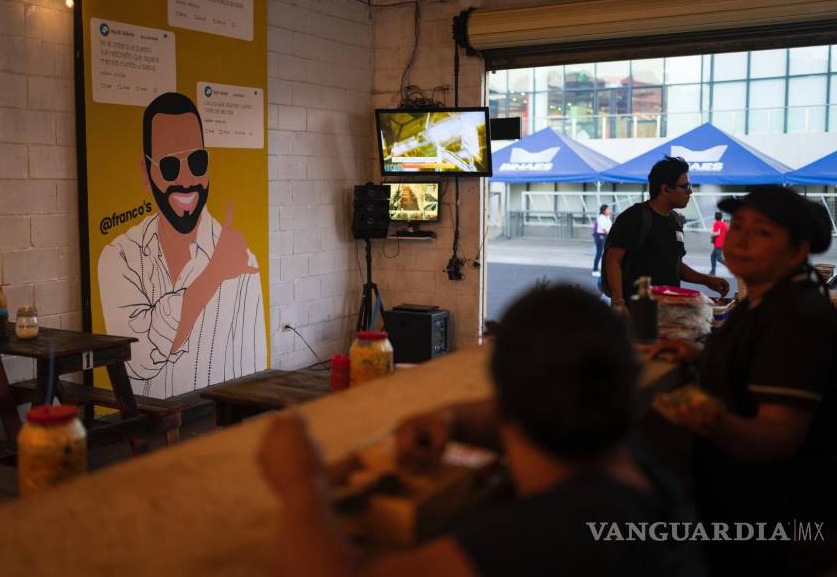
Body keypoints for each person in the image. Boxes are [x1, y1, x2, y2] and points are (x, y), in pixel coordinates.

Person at [257, 285, 706, 577]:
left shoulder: (548, 536)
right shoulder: (636, 468)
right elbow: (510, 413)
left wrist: (301, 484)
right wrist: (450, 420)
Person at [649, 186, 837, 576]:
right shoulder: (768, 298)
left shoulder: (795, 318)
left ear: (796, 251)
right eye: (738, 226)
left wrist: (702, 413)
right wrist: (700, 355)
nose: (740, 238)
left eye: (761, 232)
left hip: (783, 521)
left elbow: (775, 438)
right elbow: (761, 364)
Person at [98, 92, 266, 399]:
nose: (187, 179)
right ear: (146, 173)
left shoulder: (242, 264)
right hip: (142, 430)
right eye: (170, 167)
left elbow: (253, 371)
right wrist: (212, 276)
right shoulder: (119, 257)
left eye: (197, 162)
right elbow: (137, 359)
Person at [603, 156, 729, 311]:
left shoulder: (675, 220)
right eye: (685, 186)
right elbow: (613, 261)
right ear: (665, 189)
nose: (690, 192)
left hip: (668, 312)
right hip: (636, 311)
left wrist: (707, 280)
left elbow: (675, 265)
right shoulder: (634, 217)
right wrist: (619, 302)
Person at [592, 203, 611, 276]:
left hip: (605, 236)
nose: (609, 210)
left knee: (604, 253)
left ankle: (602, 269)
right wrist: (611, 235)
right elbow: (604, 229)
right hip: (600, 236)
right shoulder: (601, 218)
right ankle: (595, 270)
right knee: (599, 252)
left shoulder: (607, 217)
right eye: (608, 209)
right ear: (604, 211)